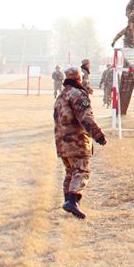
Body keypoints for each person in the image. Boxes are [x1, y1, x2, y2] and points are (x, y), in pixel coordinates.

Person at [53, 66, 106, 219]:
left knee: (71, 172)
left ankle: (67, 201)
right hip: (77, 141)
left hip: (62, 142)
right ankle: (72, 201)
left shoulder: (61, 96)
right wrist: (98, 135)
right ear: (78, 78)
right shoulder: (78, 95)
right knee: (82, 171)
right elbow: (86, 118)